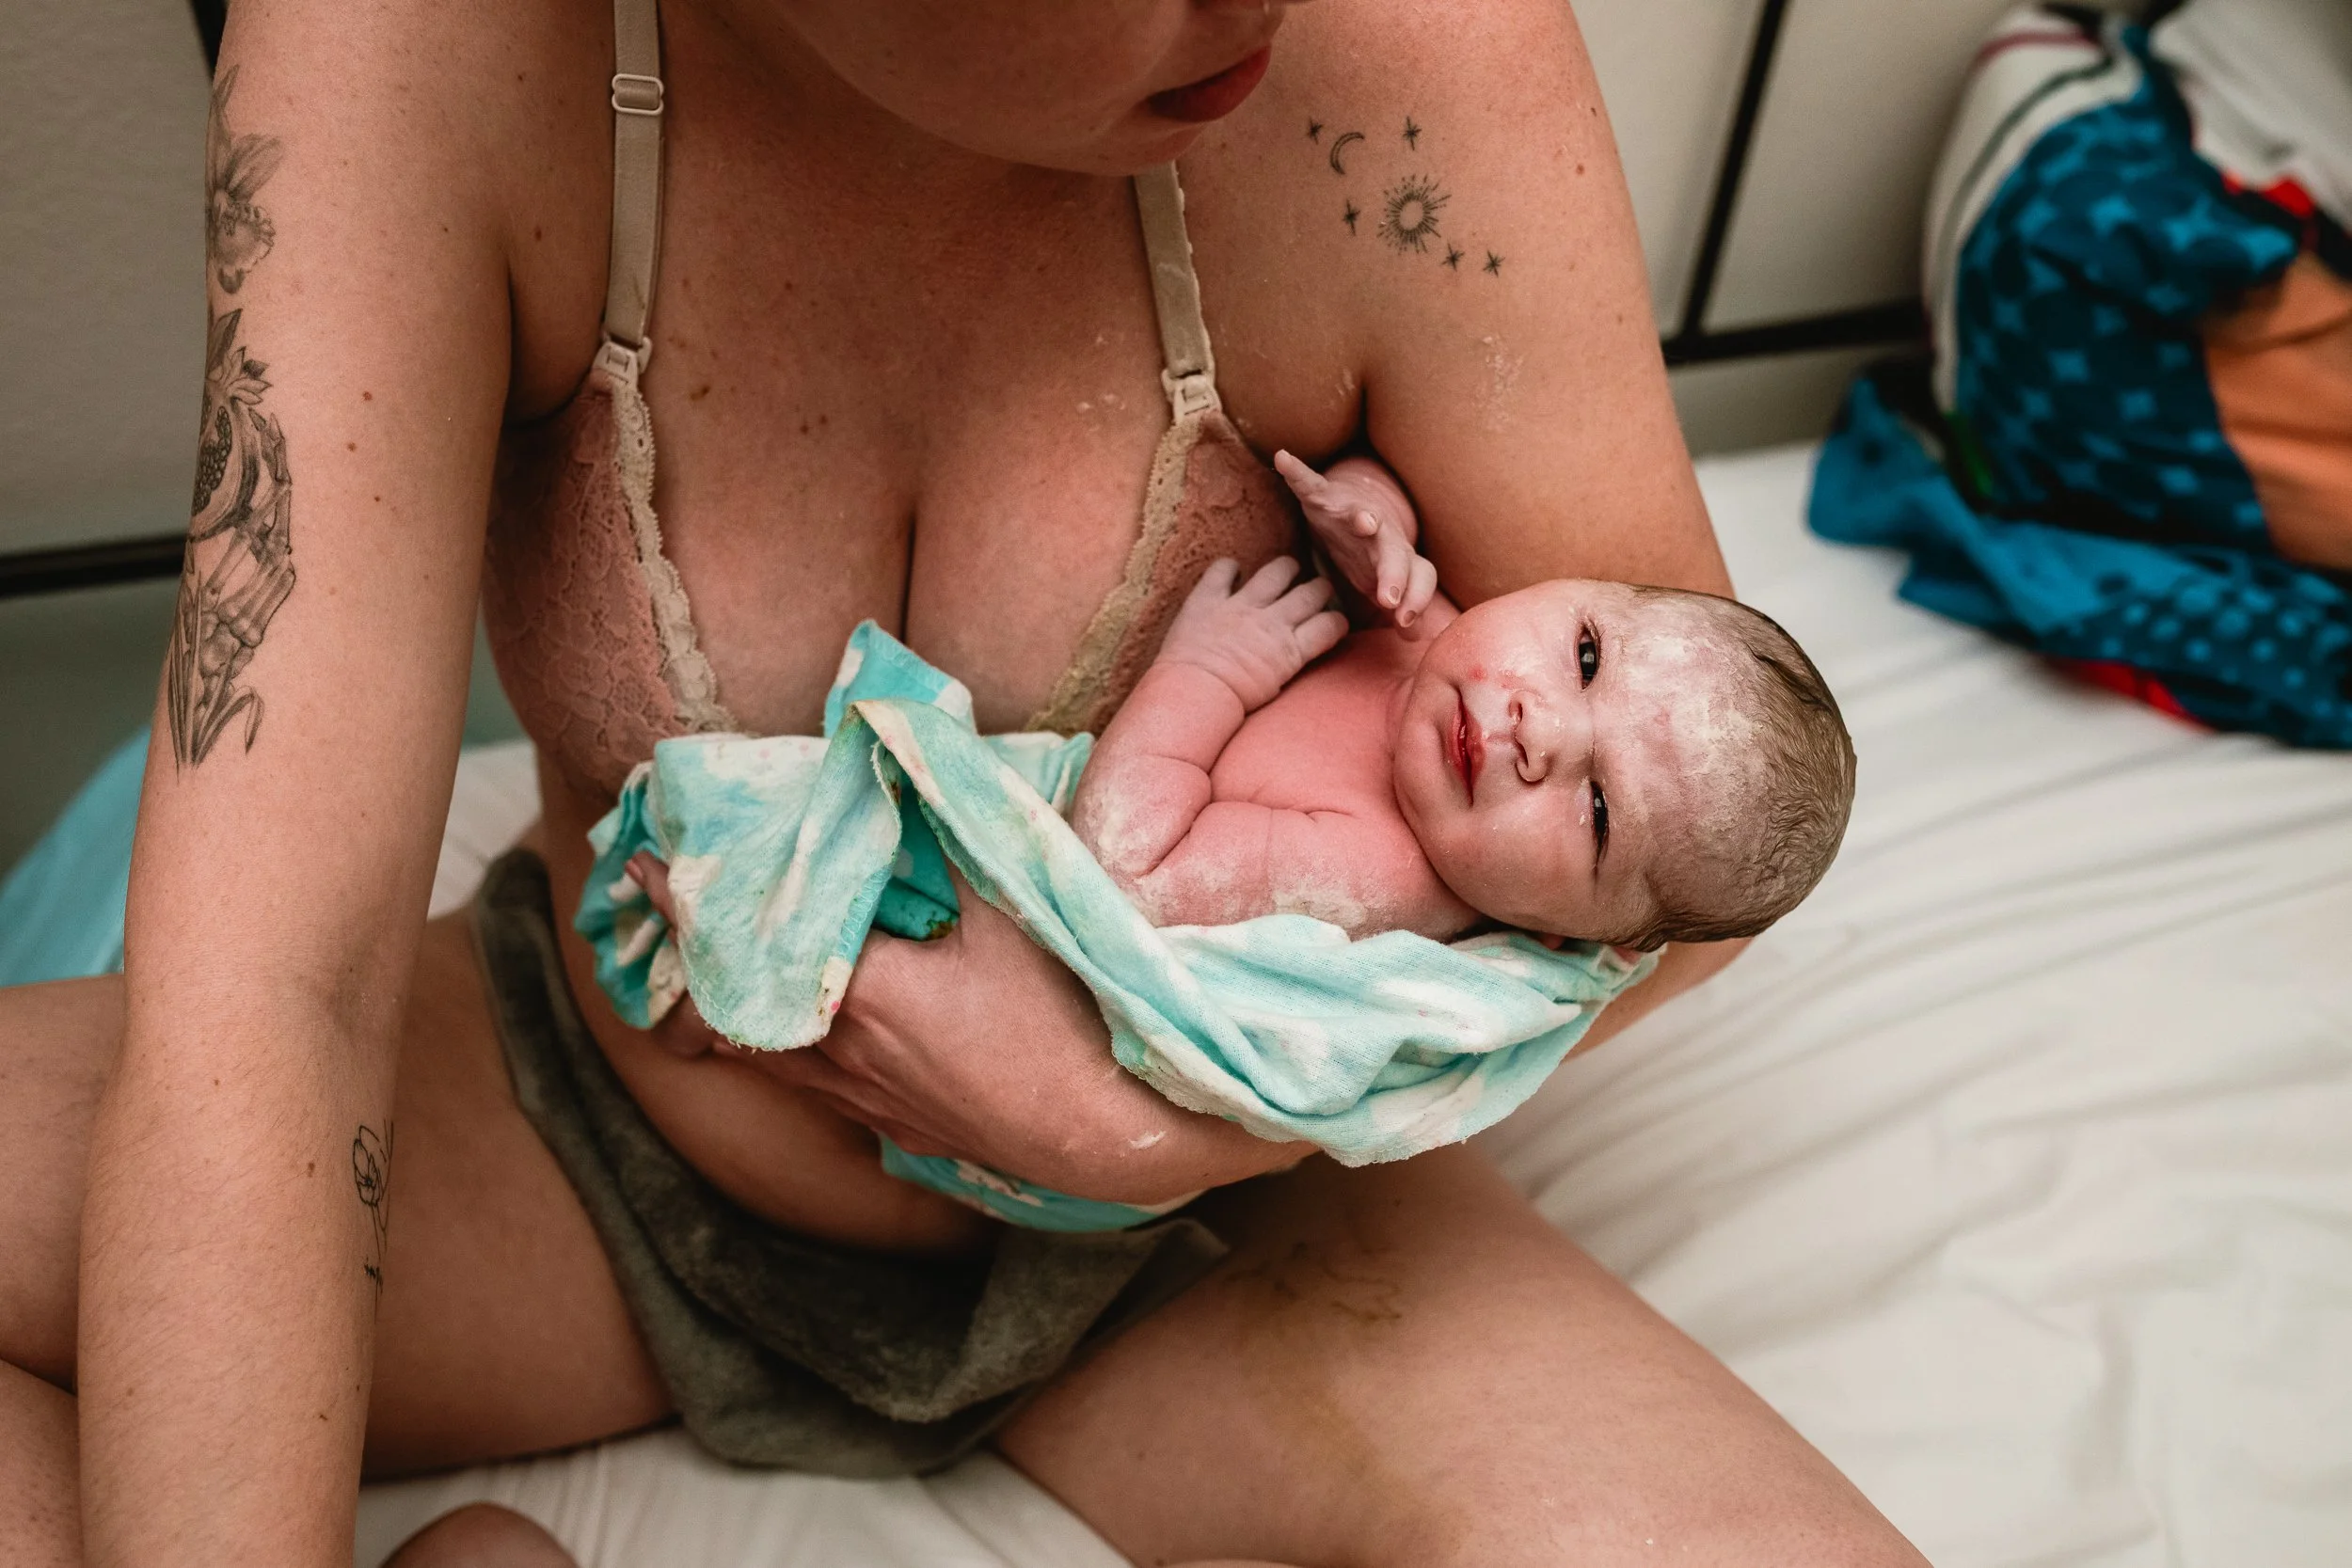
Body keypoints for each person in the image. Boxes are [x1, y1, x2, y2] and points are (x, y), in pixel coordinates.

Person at [0, 0, 1928, 1562]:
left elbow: (1684, 856)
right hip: (580, 1131)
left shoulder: (1409, 55)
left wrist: (1137, 1128)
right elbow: (272, 987)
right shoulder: (423, 55)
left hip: (1204, 1250)